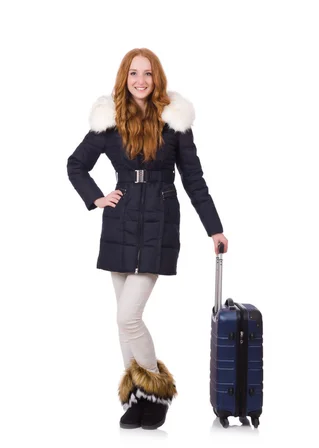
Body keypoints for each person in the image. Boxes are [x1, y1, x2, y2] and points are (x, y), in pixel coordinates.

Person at [67, 48, 228, 430]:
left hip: (158, 224)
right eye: (134, 73)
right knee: (123, 321)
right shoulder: (109, 121)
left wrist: (214, 227)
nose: (141, 80)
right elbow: (75, 164)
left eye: (148, 74)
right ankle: (137, 397)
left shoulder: (174, 122)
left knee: (129, 316)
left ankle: (156, 393)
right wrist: (97, 197)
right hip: (119, 224)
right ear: (125, 77)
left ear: (157, 79)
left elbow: (194, 180)